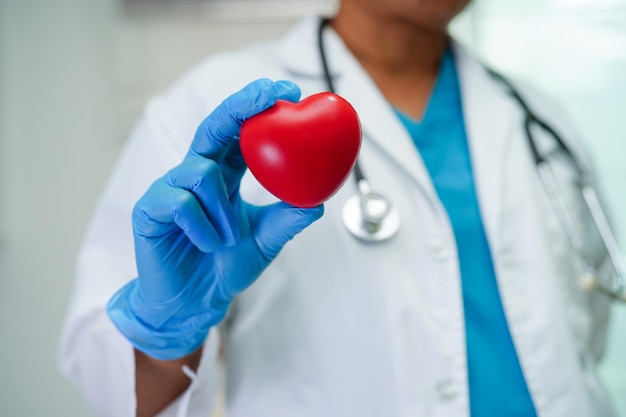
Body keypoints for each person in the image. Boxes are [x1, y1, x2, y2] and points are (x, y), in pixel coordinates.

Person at [58, 0, 619, 416]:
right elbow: (113, 386)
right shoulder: (208, 107)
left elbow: (584, 331)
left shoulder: (540, 119)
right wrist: (168, 335)